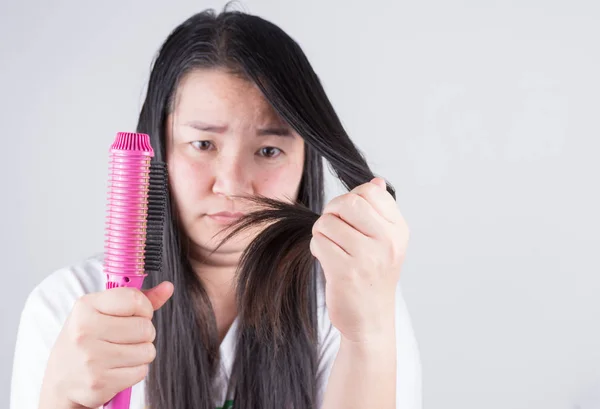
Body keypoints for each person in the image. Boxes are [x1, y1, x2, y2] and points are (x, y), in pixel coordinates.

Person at [10, 6, 421, 409]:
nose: (232, 184)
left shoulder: (347, 301)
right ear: (158, 149)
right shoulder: (67, 306)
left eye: (268, 149)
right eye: (203, 145)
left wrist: (367, 337)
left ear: (305, 161)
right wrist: (60, 400)